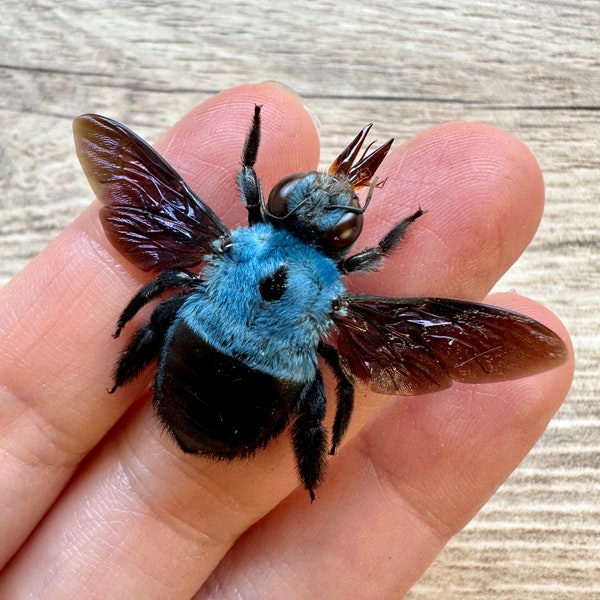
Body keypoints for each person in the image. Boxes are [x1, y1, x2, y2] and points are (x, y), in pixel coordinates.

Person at [0, 83, 573, 598]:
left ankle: (122, 375)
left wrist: (129, 320)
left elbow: (170, 281)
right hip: (254, 400)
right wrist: (401, 228)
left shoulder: (222, 242)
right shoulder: (344, 306)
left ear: (268, 199)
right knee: (328, 395)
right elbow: (372, 286)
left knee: (165, 307)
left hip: (196, 371)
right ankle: (312, 475)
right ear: (347, 243)